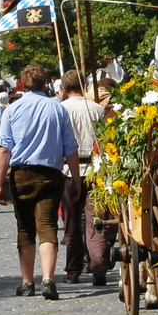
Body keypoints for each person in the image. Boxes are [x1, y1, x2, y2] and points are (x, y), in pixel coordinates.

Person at [0, 65, 79, 300]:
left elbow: (4, 149)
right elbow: (70, 147)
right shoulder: (57, 108)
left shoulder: (12, 109)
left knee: (25, 228)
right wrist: (76, 178)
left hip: (21, 174)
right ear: (46, 83)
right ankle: (48, 280)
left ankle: (27, 282)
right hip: (50, 174)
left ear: (22, 83)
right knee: (48, 225)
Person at [58, 72, 110, 286]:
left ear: (64, 88)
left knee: (71, 222)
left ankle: (73, 270)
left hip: (69, 171)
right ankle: (98, 265)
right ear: (84, 86)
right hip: (95, 170)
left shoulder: (60, 109)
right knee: (96, 221)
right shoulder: (97, 109)